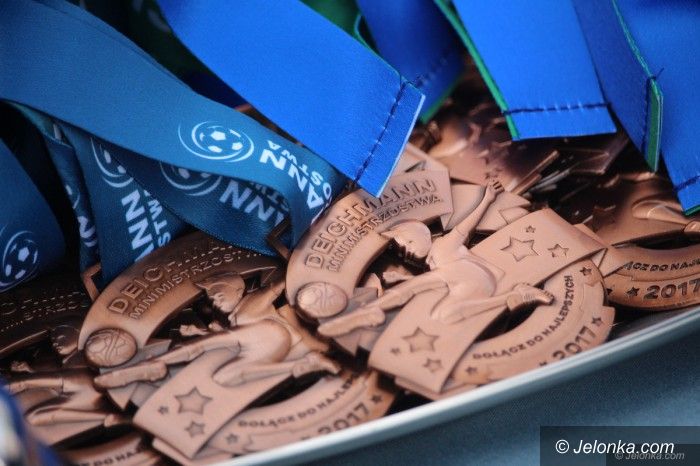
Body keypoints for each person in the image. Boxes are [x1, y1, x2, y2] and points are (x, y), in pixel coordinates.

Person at [319, 180, 553, 337]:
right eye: (402, 249)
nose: (406, 251)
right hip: (471, 288)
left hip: (473, 276)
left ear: (421, 234)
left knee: (414, 288)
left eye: (408, 243)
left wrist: (488, 199)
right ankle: (513, 297)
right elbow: (438, 282)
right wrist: (401, 279)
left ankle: (370, 311)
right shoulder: (433, 263)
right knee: (445, 315)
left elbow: (467, 224)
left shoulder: (444, 244)